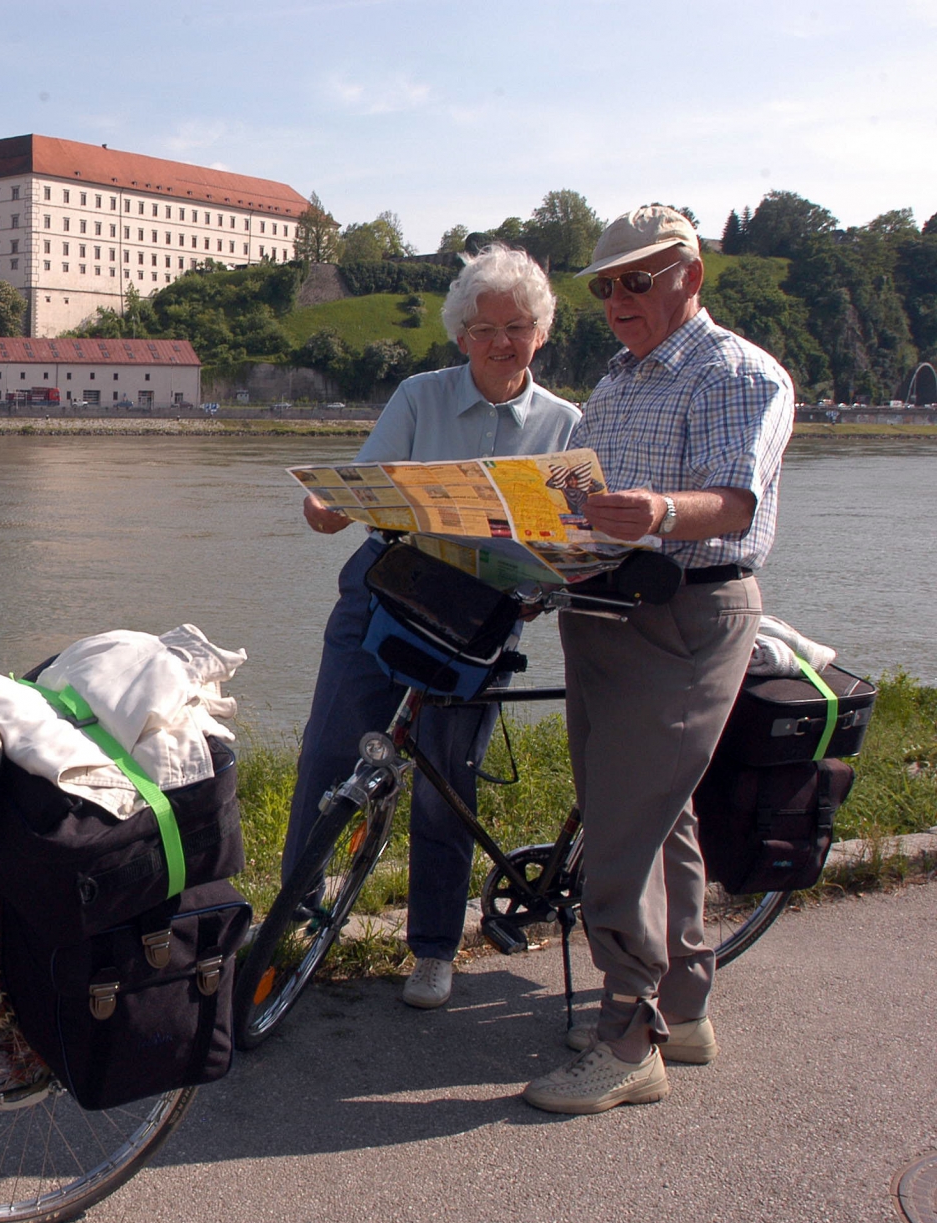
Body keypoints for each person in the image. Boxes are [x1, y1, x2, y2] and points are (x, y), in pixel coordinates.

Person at [521, 205, 792, 1115]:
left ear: (691, 275)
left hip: (685, 612)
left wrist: (662, 511)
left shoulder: (735, 372)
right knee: (651, 810)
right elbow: (581, 486)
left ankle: (627, 1038)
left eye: (638, 279)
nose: (617, 298)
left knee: (624, 831)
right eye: (605, 284)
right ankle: (686, 1004)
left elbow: (734, 500)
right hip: (601, 609)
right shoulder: (617, 376)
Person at [286, 245, 580, 1010]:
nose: (501, 342)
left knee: (447, 787)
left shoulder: (565, 425)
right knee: (326, 753)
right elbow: (363, 488)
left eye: (517, 327)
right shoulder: (420, 396)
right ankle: (292, 919)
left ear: (540, 333)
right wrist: (328, 510)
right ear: (461, 336)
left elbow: (569, 545)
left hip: (479, 624)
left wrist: (551, 577)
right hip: (386, 595)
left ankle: (434, 949)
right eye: (485, 329)